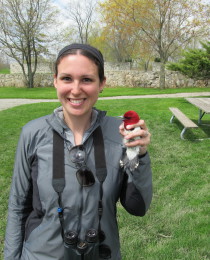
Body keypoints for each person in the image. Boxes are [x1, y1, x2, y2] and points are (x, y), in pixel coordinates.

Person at [4, 43, 152, 260]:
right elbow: (18, 207)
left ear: (102, 83)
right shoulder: (32, 134)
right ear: (55, 80)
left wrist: (139, 155)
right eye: (66, 78)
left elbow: (138, 206)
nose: (75, 89)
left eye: (86, 79)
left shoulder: (119, 133)